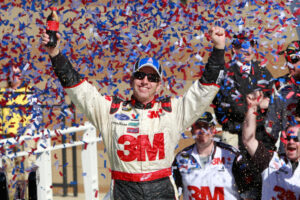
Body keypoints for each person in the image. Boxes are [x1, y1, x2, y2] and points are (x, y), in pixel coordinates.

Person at [41, 25, 225, 199]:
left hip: (161, 189)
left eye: (152, 77)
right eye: (140, 75)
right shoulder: (110, 110)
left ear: (159, 86)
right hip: (123, 190)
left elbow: (204, 91)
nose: (145, 81)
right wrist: (55, 54)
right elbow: (79, 89)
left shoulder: (172, 111)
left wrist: (218, 49)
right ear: (131, 80)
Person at [213, 31, 275, 152]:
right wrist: (258, 104)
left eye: (251, 45)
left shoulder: (262, 69)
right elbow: (233, 107)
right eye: (242, 46)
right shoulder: (225, 73)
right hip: (235, 135)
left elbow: (275, 98)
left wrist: (267, 102)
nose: (248, 50)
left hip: (262, 134)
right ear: (234, 50)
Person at [172, 112, 255, 200]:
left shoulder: (232, 155)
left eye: (206, 126)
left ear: (214, 130)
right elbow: (173, 193)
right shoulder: (181, 158)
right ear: (192, 130)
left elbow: (249, 193)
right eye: (198, 126)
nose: (202, 131)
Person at [243, 90, 300, 199]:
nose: (291, 142)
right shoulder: (270, 161)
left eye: (296, 139)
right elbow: (248, 140)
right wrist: (252, 107)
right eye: (288, 138)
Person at [0, 65, 39, 200]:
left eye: (18, 73)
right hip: (7, 139)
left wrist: (28, 132)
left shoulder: (29, 92)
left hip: (25, 139)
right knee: (9, 173)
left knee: (25, 173)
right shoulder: (2, 93)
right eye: (13, 73)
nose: (16, 76)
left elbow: (36, 115)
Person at [264, 40, 300, 153]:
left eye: (294, 60)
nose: (289, 65)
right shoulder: (280, 85)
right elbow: (272, 123)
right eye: (287, 59)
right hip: (288, 151)